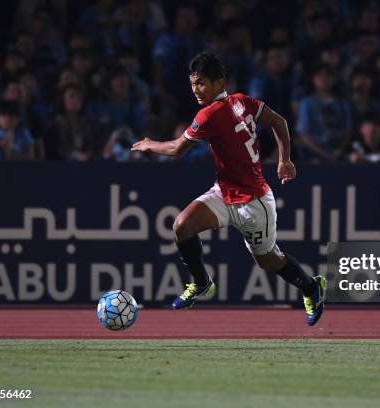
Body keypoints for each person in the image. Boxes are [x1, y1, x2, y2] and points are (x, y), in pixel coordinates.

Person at [131, 52, 326, 326]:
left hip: (254, 202)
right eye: (192, 84)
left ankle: (310, 287)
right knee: (182, 226)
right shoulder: (242, 101)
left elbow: (176, 149)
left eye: (200, 83)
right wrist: (284, 160)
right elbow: (278, 122)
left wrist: (149, 144)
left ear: (218, 82)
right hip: (224, 192)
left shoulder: (210, 113)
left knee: (268, 260)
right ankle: (201, 283)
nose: (195, 90)